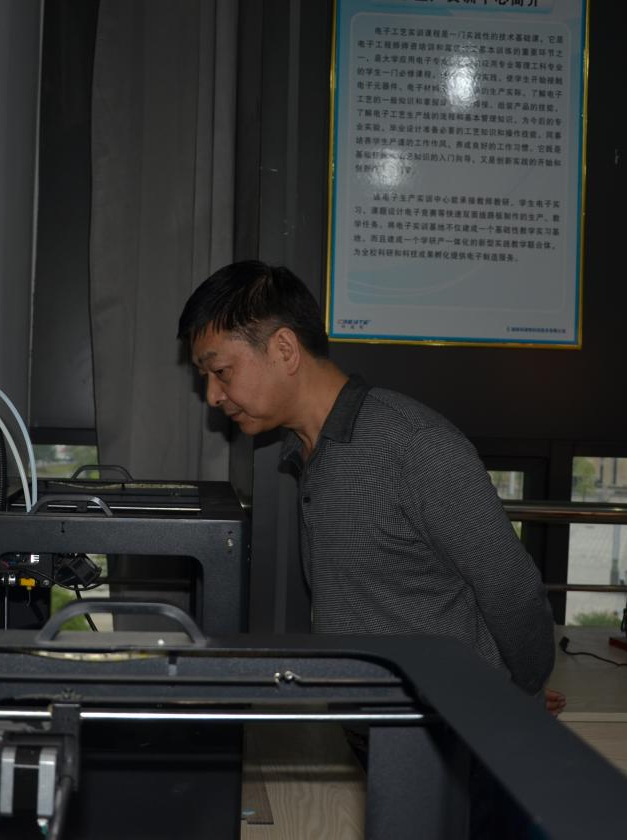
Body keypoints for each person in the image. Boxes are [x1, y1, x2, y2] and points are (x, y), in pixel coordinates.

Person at [177, 260, 563, 834]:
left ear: (284, 349)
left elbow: (512, 589)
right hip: (382, 740)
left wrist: (521, 693)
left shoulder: (414, 445)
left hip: (459, 750)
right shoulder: (310, 452)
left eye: (220, 371)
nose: (212, 395)